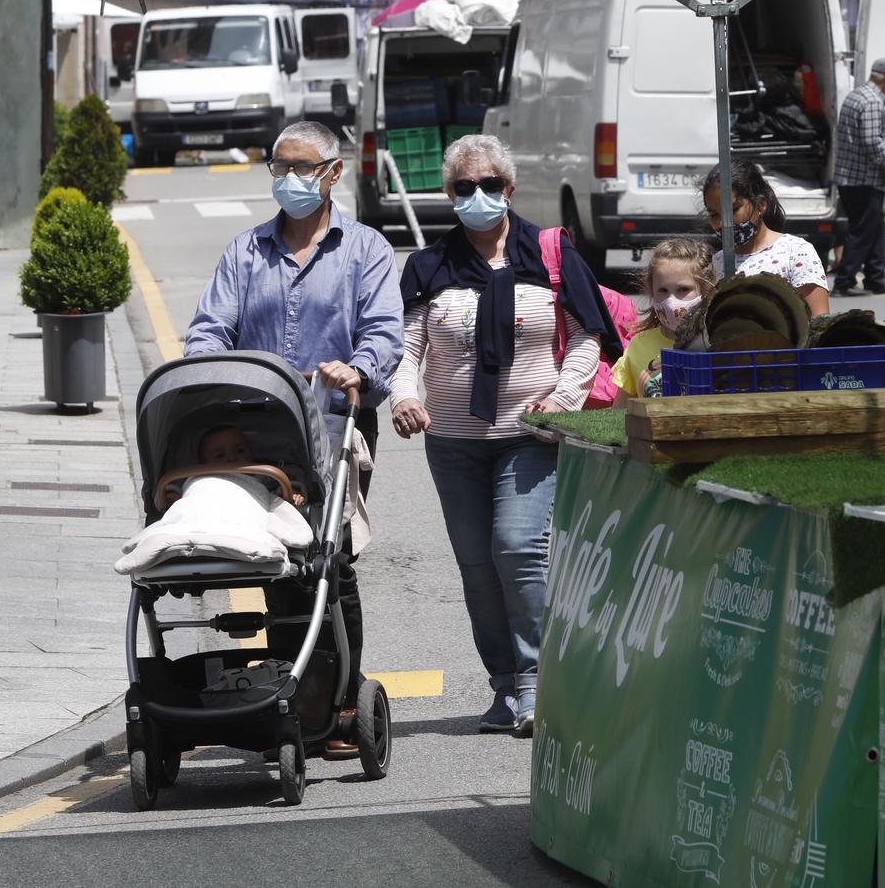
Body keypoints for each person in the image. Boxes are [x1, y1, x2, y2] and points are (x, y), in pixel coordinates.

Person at [182, 120, 403, 754]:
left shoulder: (365, 251)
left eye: (302, 168)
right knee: (273, 560)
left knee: (330, 564)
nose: (290, 179)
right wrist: (211, 369)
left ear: (333, 173)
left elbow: (384, 332)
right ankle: (289, 696)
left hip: (336, 428)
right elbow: (208, 330)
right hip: (258, 437)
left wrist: (357, 368)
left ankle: (337, 702)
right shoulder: (244, 252)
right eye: (280, 167)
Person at [390, 134, 619, 738]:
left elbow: (589, 337)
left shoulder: (549, 253)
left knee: (518, 548)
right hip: (455, 441)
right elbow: (407, 346)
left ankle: (537, 685)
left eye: (490, 185)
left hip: (529, 435)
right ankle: (502, 686)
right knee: (475, 565)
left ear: (509, 189)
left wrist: (562, 400)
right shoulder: (428, 265)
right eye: (464, 188)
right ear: (449, 194)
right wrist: (405, 394)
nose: (478, 196)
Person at [701, 160, 831, 314]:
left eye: (733, 210)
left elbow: (818, 322)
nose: (723, 222)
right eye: (714, 214)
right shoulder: (716, 264)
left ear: (761, 204)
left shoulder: (795, 252)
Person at [612, 238, 717, 403]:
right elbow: (619, 413)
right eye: (663, 290)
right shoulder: (639, 345)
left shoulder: (716, 341)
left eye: (683, 289)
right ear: (652, 292)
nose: (671, 301)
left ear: (706, 290)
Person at [833, 57, 885, 297]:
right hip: (864, 178)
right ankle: (844, 281)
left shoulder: (856, 95)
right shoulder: (872, 101)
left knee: (874, 228)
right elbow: (872, 140)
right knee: (862, 229)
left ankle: (875, 277)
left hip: (851, 178)